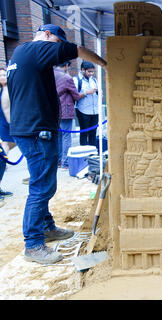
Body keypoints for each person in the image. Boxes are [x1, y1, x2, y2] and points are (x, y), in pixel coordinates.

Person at [7, 24, 107, 265]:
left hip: (29, 127)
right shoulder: (37, 49)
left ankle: (46, 227)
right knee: (42, 188)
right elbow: (80, 49)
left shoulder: (20, 54)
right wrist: (106, 65)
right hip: (36, 130)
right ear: (49, 36)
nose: (58, 52)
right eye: (58, 44)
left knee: (41, 184)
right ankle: (33, 244)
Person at [54, 61, 80, 169]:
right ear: (66, 66)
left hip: (52, 110)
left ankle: (59, 161)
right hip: (65, 110)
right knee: (66, 137)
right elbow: (76, 95)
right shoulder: (66, 78)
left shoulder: (49, 74)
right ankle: (66, 162)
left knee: (59, 136)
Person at [74, 61, 99, 147]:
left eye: (92, 71)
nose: (91, 73)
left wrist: (100, 92)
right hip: (83, 110)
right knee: (84, 132)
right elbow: (74, 96)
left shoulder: (94, 79)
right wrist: (86, 92)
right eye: (89, 71)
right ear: (82, 70)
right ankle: (84, 155)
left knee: (93, 133)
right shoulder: (76, 80)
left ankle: (93, 154)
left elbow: (99, 92)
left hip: (95, 110)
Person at [0, 67, 14, 202]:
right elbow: (6, 111)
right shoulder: (3, 91)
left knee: (5, 148)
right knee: (3, 153)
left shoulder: (7, 89)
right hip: (6, 124)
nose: (3, 77)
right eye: (0, 75)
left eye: (5, 75)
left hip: (7, 124)